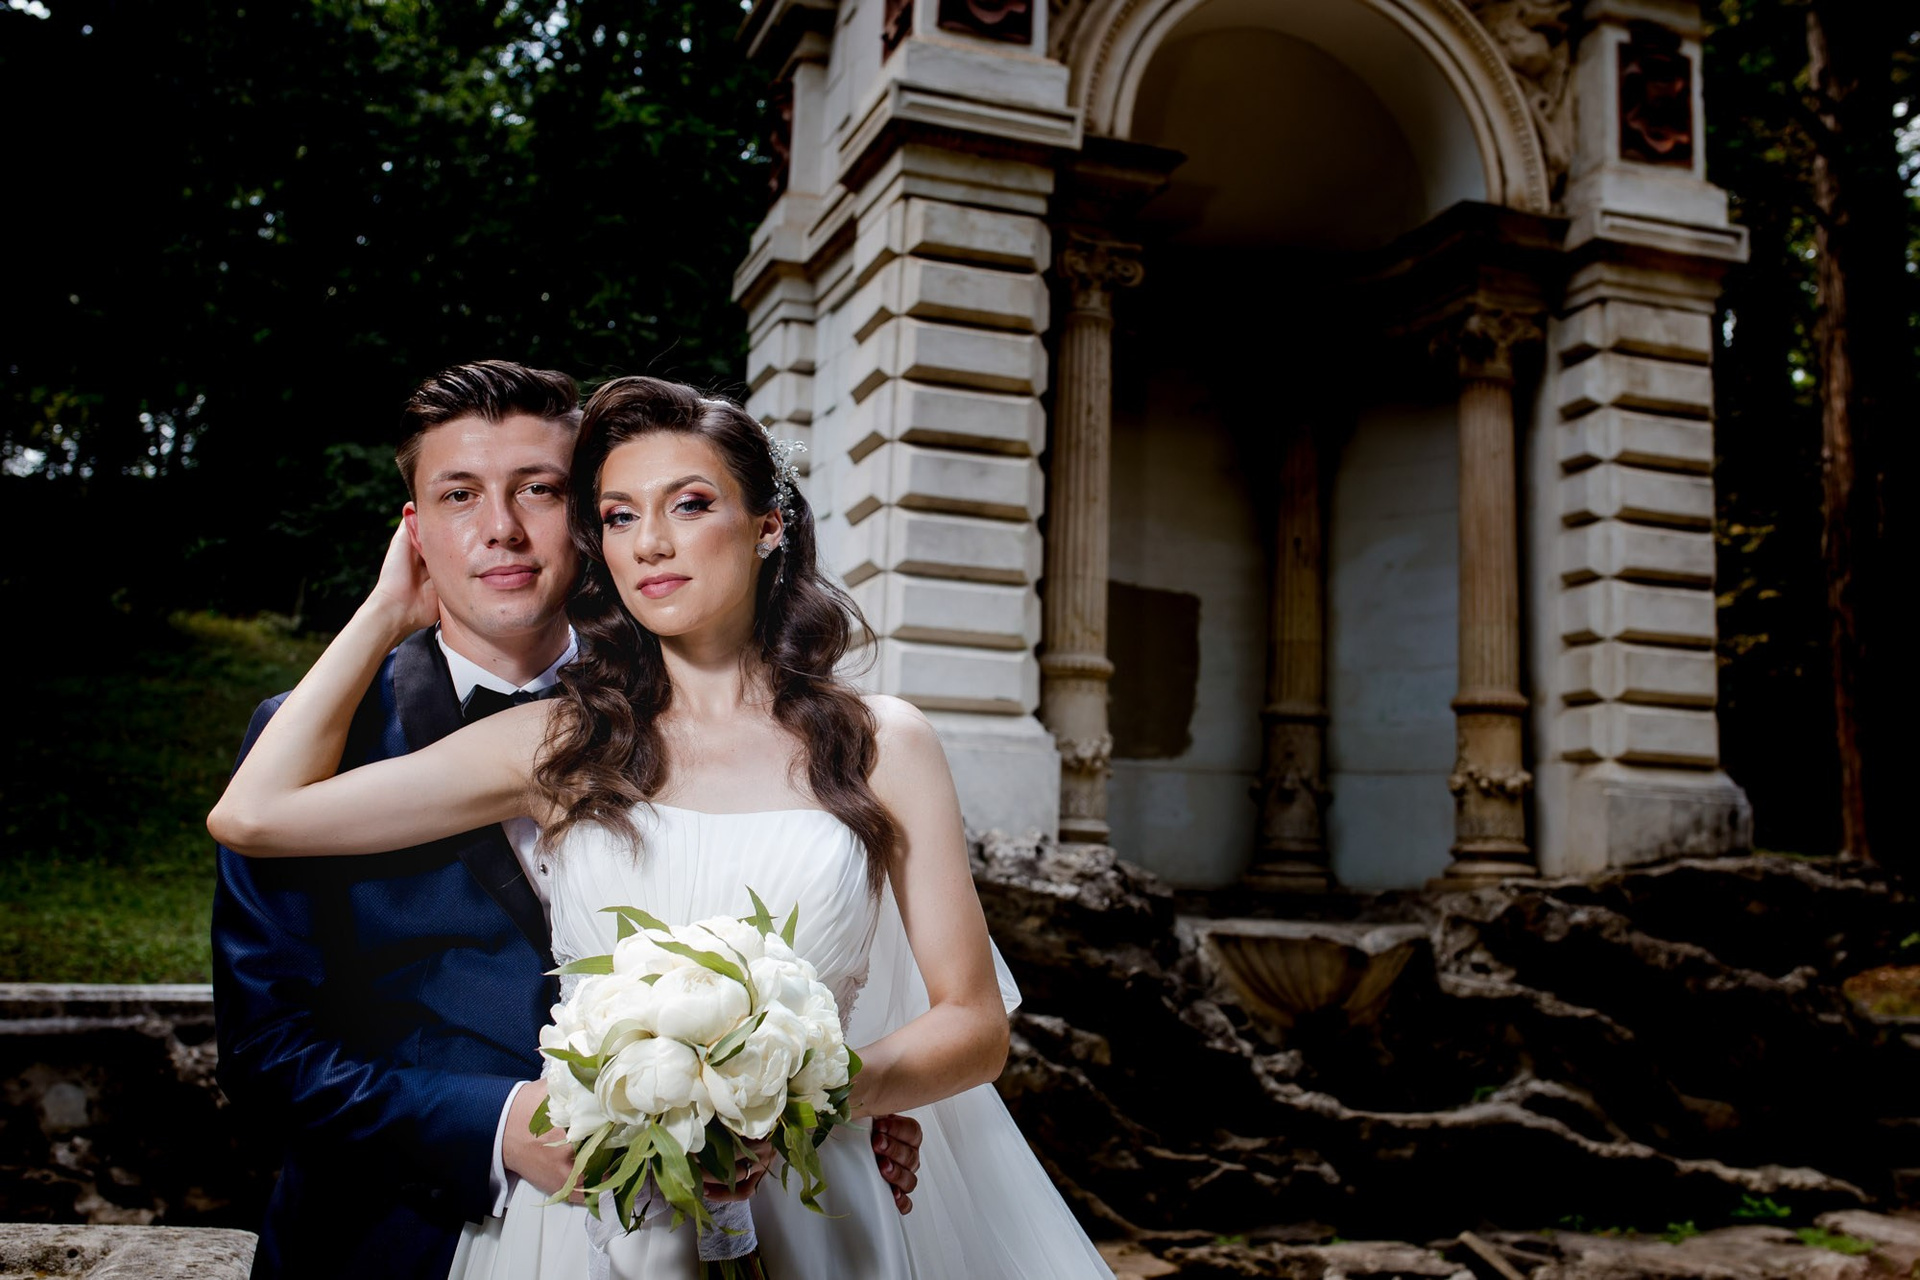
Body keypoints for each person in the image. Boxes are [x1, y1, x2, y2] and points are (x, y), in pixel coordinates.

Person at [209, 375, 1112, 1278]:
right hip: (575, 1208)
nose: (651, 542)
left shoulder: (887, 742)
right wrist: (384, 611)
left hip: (812, 1196)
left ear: (769, 523)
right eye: (621, 515)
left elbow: (968, 1022)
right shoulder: (563, 740)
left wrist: (822, 1097)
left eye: (688, 504)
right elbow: (250, 817)